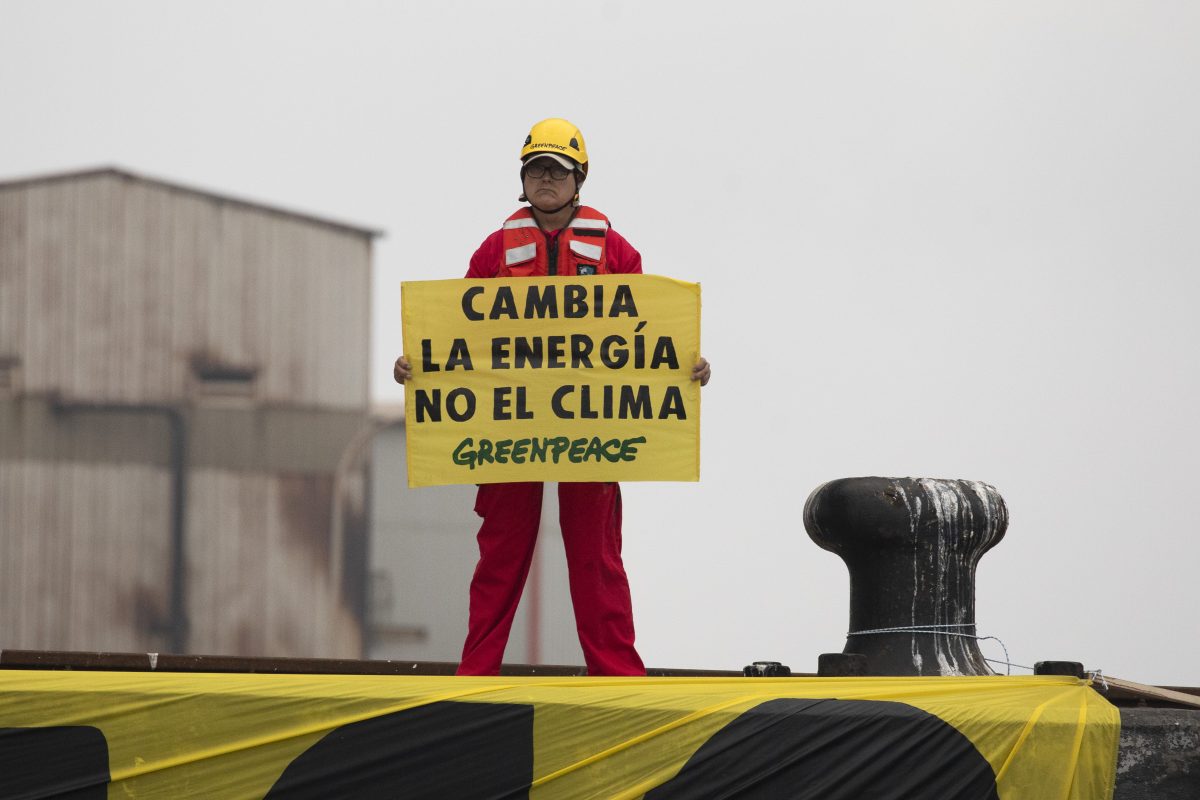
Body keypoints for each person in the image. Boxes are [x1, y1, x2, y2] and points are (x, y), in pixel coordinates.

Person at [394, 118, 711, 676]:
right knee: (500, 554)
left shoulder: (618, 251)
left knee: (597, 559)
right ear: (522, 178)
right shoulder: (493, 252)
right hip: (508, 431)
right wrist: (418, 367)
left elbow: (647, 336)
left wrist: (686, 367)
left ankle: (617, 676)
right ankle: (478, 671)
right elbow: (456, 338)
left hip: (592, 431)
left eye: (557, 169)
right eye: (535, 168)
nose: (545, 178)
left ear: (579, 178)